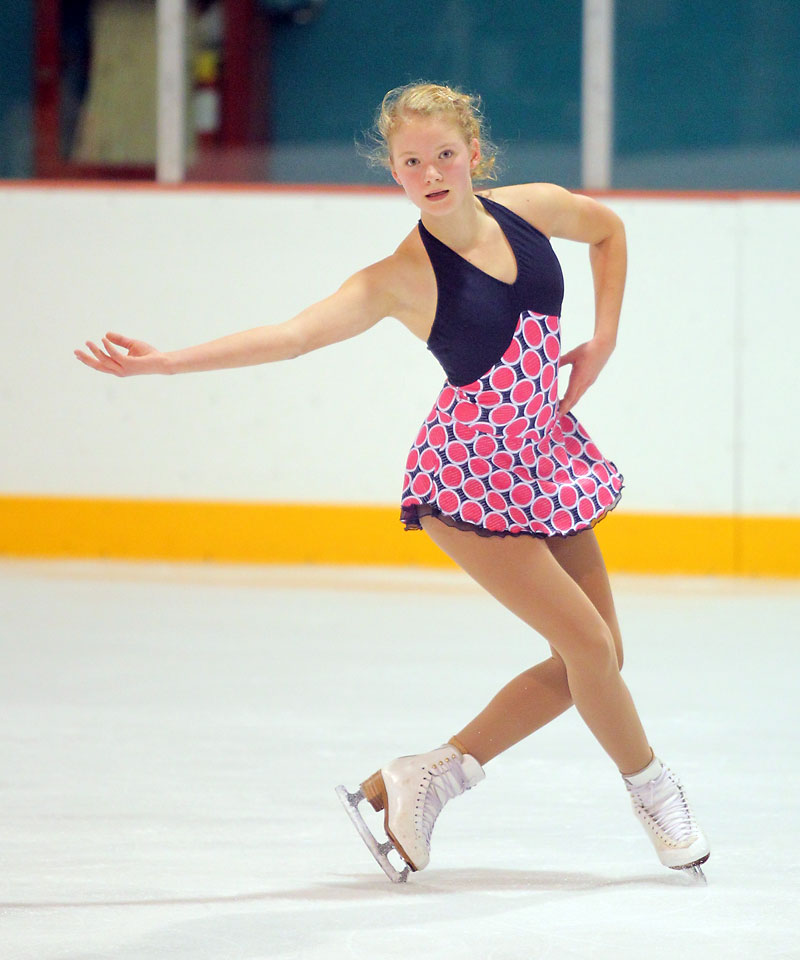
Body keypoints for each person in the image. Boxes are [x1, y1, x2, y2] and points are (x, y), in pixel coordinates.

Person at [75, 81, 710, 884]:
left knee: (600, 655)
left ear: (473, 153)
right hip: (468, 477)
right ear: (395, 173)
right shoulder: (400, 277)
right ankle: (654, 791)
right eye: (412, 163)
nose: (431, 173)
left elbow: (609, 231)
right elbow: (293, 336)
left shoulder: (531, 209)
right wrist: (168, 362)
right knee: (588, 647)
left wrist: (604, 337)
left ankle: (428, 775)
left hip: (543, 456)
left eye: (444, 155)